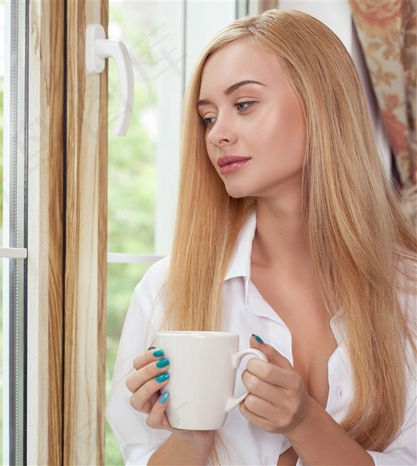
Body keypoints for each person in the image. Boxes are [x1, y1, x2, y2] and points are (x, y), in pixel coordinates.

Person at [106, 9, 417, 466]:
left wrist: (306, 423)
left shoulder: (406, 286)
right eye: (207, 118)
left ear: (321, 104)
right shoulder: (167, 290)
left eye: (244, 105)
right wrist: (192, 439)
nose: (218, 135)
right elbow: (140, 454)